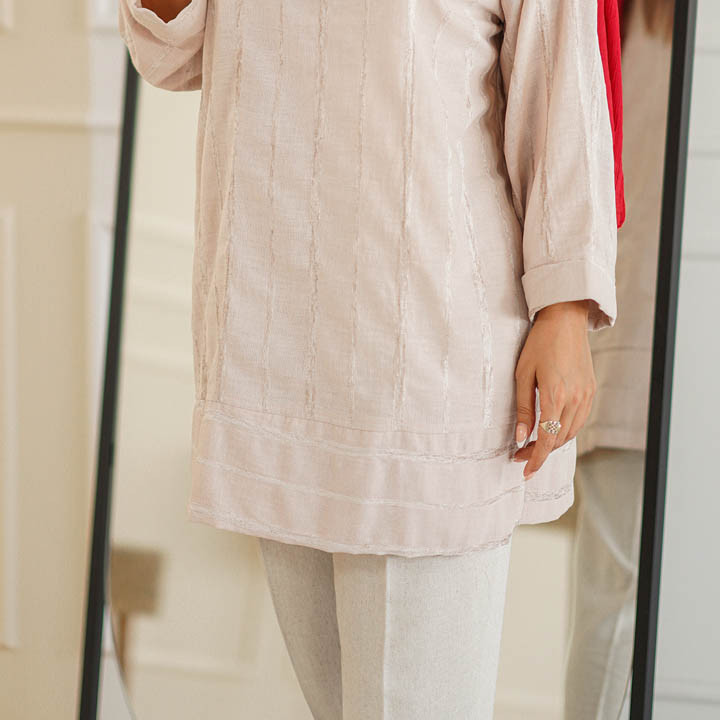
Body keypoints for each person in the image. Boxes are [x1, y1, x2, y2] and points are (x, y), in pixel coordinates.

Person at [118, 0, 620, 716]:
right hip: (273, 345)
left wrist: (566, 309)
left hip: (429, 356)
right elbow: (171, 50)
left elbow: (560, 74)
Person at [564, 1, 675, 718]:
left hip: (625, 339)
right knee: (622, 594)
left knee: (617, 594)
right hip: (632, 342)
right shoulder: (638, 26)